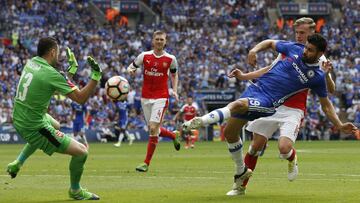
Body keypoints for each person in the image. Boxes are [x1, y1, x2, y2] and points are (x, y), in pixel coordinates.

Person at [183, 33, 358, 195]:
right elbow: (270, 45)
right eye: (305, 46)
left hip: (271, 102)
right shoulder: (294, 48)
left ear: (320, 53)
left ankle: (202, 121)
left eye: (310, 49)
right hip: (255, 90)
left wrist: (340, 125)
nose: (305, 50)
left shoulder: (317, 75)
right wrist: (253, 51)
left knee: (242, 109)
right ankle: (240, 172)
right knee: (230, 133)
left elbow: (327, 104)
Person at [229, 17, 336, 195]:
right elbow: (268, 70)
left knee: (284, 148)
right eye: (297, 32)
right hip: (270, 101)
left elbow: (331, 89)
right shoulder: (291, 49)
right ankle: (241, 187)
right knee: (256, 146)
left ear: (312, 33)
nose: (299, 36)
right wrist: (245, 76)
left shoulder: (319, 57)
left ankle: (291, 158)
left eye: (302, 33)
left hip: (293, 108)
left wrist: (326, 75)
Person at [6, 37, 102, 200]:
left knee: (56, 125)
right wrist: (95, 77)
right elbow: (80, 98)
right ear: (52, 52)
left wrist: (68, 74)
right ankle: (75, 191)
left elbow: (49, 85)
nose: (58, 56)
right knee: (81, 152)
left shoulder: (31, 63)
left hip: (20, 116)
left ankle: (18, 162)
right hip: (34, 126)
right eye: (57, 52)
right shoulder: (51, 74)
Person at [127, 30, 181, 172]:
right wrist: (131, 71)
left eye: (161, 39)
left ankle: (146, 163)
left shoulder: (170, 59)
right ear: (153, 41)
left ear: (165, 41)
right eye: (157, 39)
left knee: (152, 128)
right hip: (145, 97)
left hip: (161, 97)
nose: (159, 41)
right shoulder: (144, 56)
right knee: (154, 129)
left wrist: (174, 90)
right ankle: (173, 135)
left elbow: (174, 75)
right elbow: (131, 67)